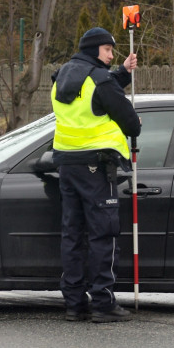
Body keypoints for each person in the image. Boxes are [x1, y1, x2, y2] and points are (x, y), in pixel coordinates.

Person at [50, 27, 140, 323]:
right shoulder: (99, 80)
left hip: (67, 165)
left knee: (72, 235)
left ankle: (74, 304)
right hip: (97, 168)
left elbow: (93, 94)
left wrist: (122, 73)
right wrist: (135, 122)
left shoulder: (61, 77)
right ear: (93, 50)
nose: (112, 55)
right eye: (108, 50)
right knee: (103, 234)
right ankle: (103, 303)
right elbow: (130, 123)